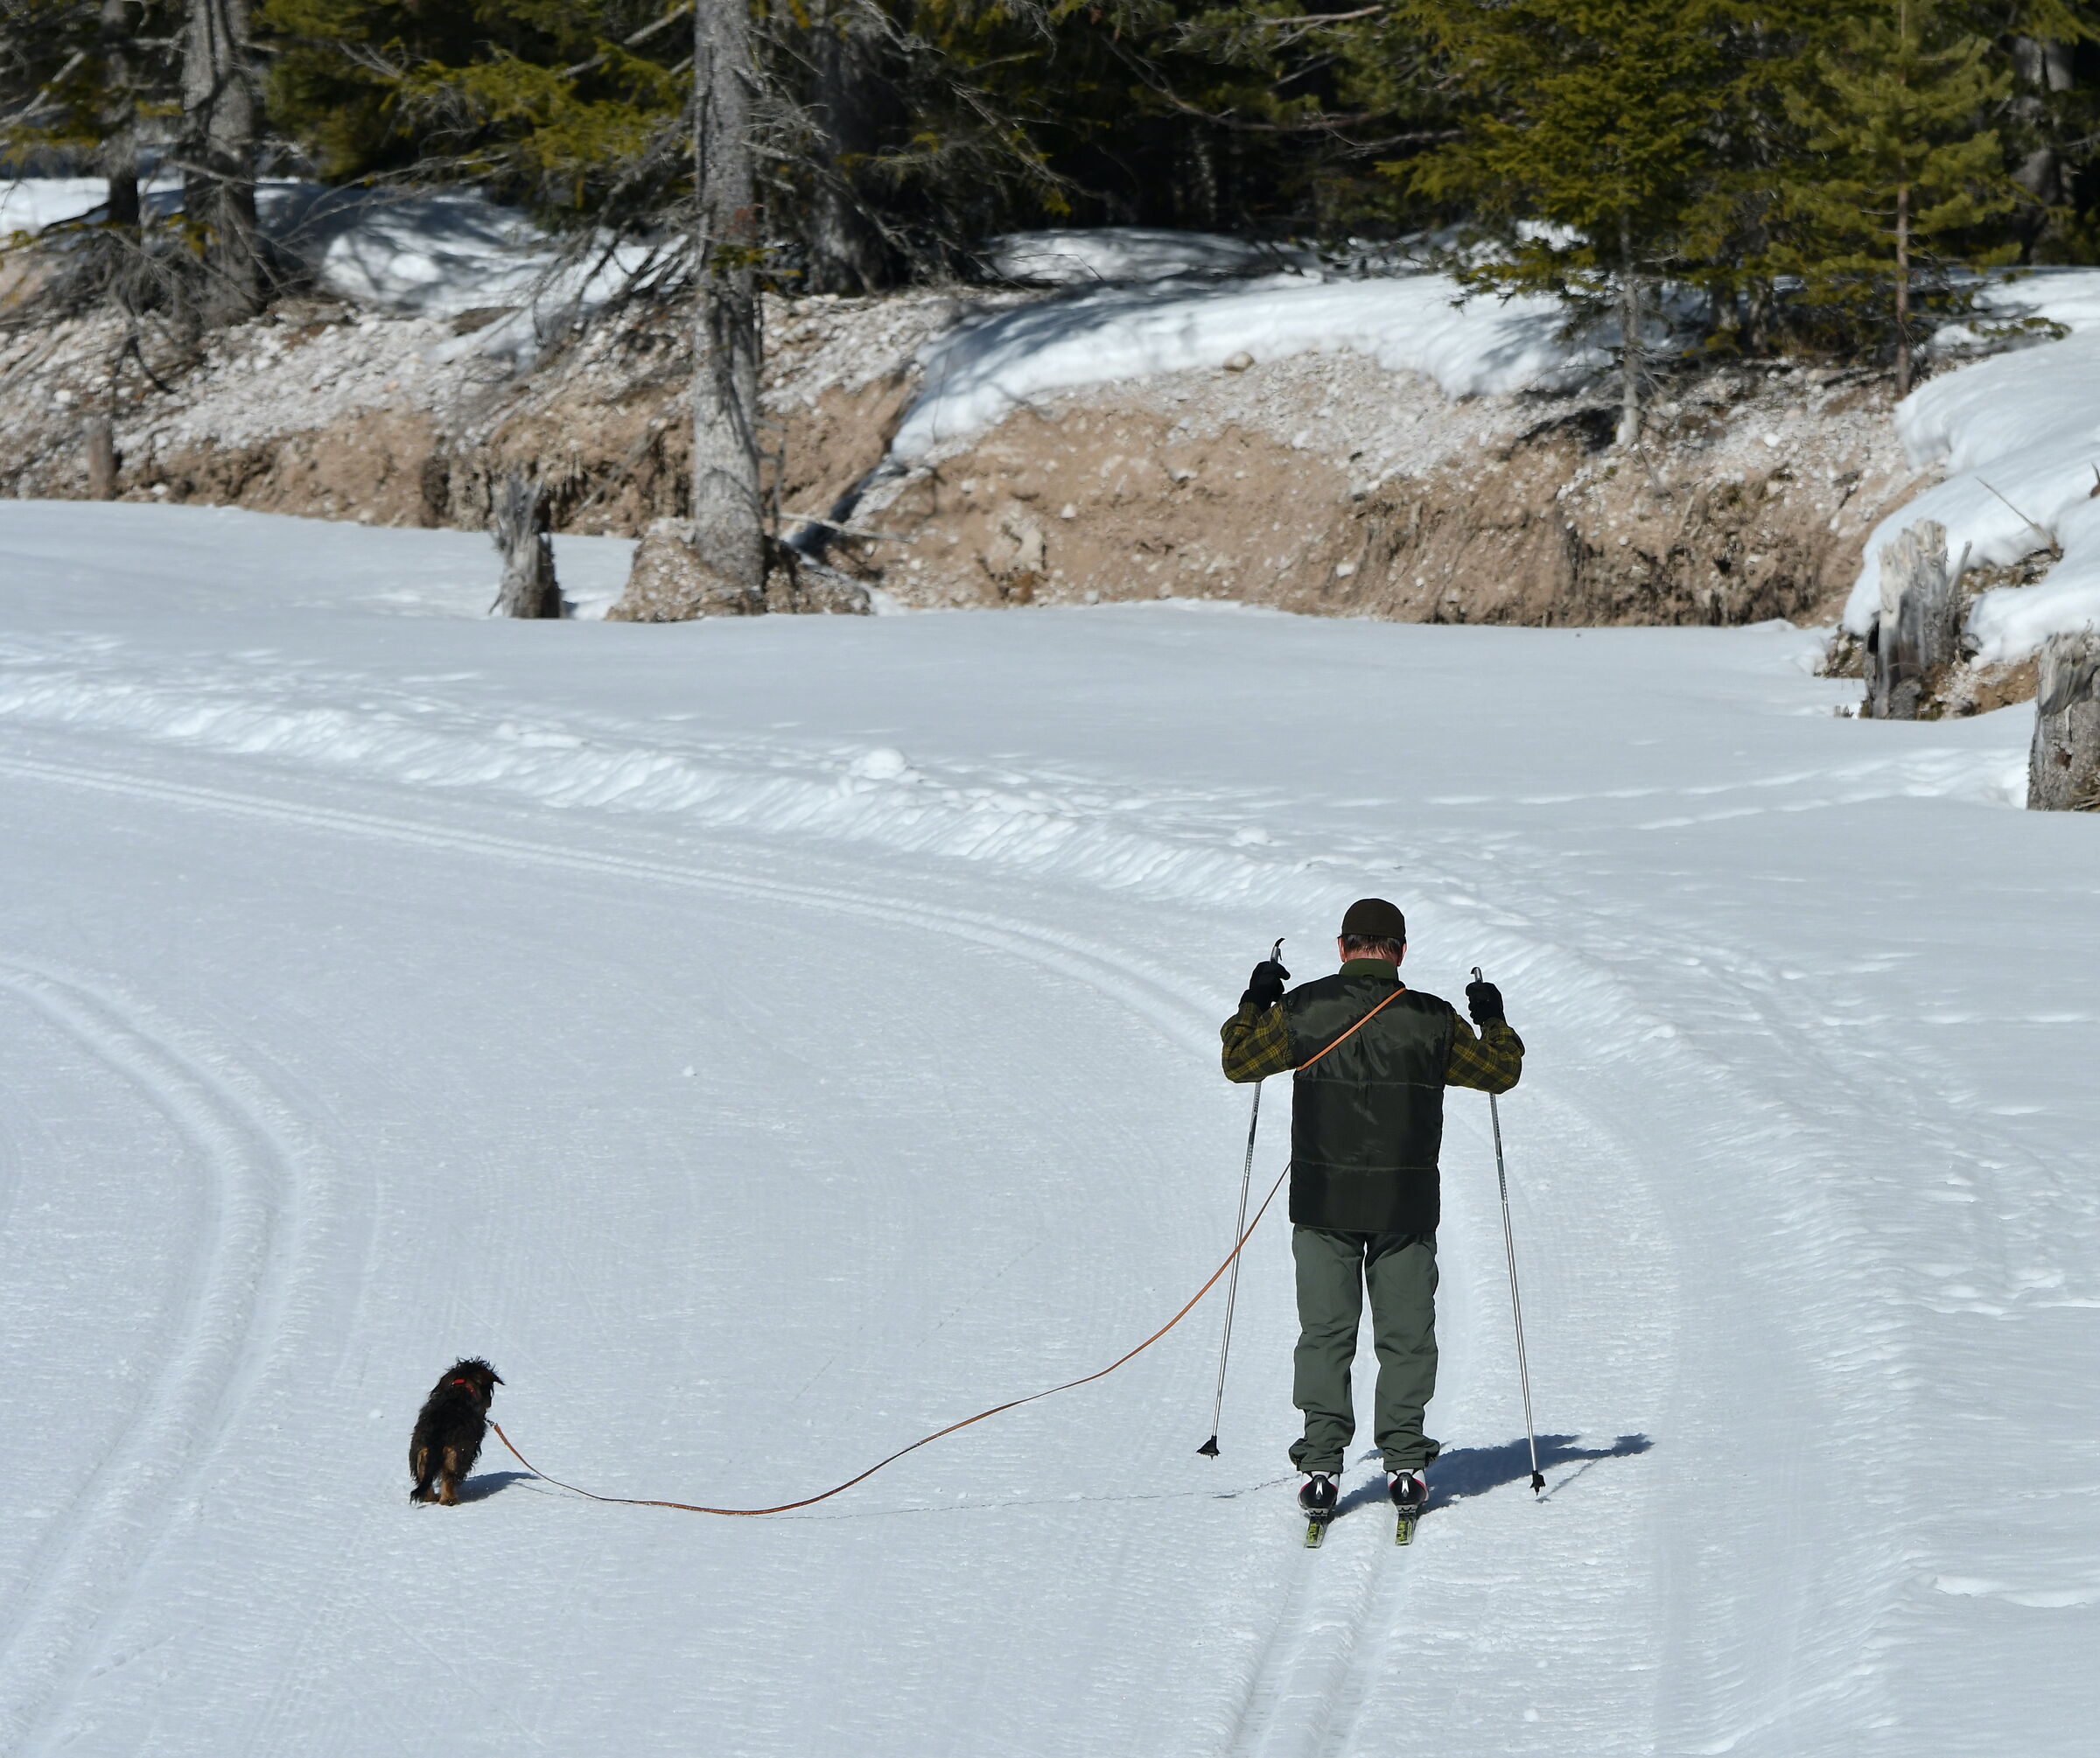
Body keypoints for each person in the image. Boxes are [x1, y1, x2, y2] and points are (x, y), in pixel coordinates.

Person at [1220, 898, 1522, 1525]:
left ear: (1342, 946)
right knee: (1407, 1335)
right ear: (1401, 951)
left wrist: (1255, 998)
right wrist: (1492, 1017)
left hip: (1323, 1202)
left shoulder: (1302, 1008)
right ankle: (1405, 1460)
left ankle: (1321, 1464)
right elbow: (1501, 1072)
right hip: (1405, 1206)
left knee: (1326, 1332)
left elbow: (1239, 1061)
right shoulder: (1431, 1019)